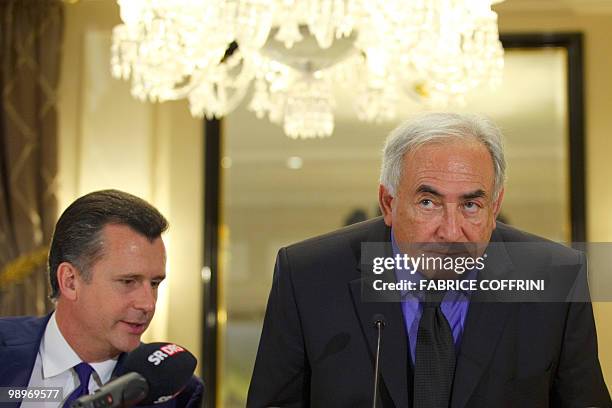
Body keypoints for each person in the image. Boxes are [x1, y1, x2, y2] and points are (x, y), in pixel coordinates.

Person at [247, 113, 611, 407]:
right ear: (388, 203)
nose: (451, 232)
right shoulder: (308, 276)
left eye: (470, 205)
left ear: (495, 206)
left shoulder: (554, 276)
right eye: (428, 203)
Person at [0, 189, 203, 407]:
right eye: (128, 281)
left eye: (154, 283)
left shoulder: (176, 393)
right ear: (70, 281)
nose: (148, 304)